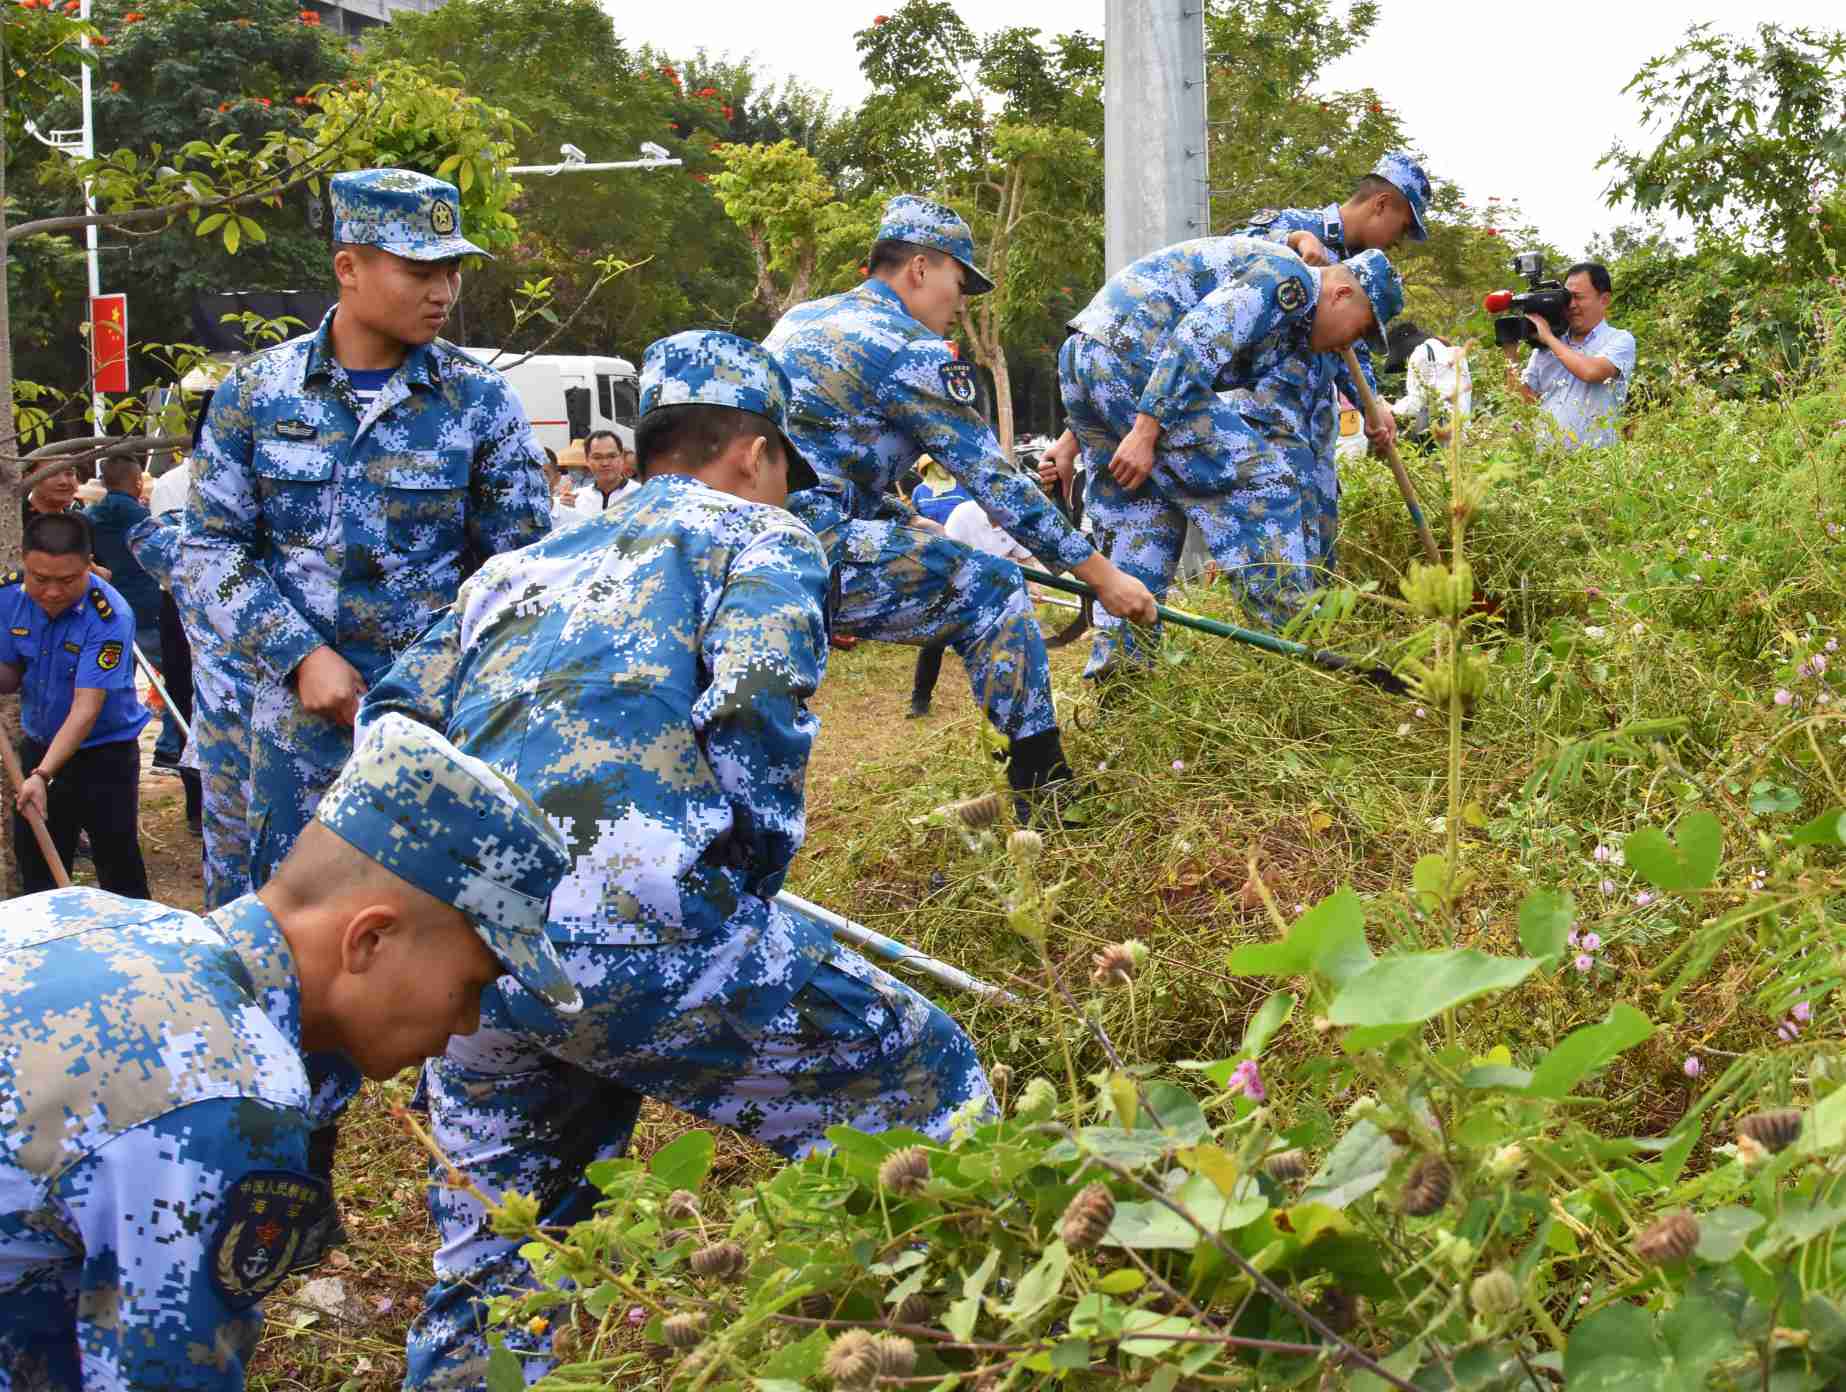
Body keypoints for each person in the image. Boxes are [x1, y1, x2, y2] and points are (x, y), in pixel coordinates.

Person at [361, 330, 991, 1388]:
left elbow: (391, 726)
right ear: (753, 452)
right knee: (940, 1090)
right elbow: (756, 702)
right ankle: (948, 1346)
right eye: (787, 468)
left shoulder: (518, 568)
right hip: (644, 933)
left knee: (505, 1254)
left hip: (469, 960)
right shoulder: (759, 535)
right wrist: (735, 893)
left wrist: (450, 896)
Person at [0, 713, 581, 1390]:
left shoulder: (96, 917)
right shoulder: (226, 1092)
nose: (468, 1020)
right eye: (471, 983)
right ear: (369, 941)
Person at [182, 167, 551, 893]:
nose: (442, 292)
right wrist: (301, 655)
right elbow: (212, 549)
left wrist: (435, 680)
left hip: (432, 728)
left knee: (419, 930)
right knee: (282, 930)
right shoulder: (256, 394)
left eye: (451, 271)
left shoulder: (479, 402)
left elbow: (523, 572)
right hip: (282, 730)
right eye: (419, 270)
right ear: (348, 267)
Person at [766, 194, 1155, 812]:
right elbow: (992, 479)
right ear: (921, 268)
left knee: (948, 559)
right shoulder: (906, 348)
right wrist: (1102, 577)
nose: (961, 302)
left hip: (761, 538)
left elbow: (822, 463)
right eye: (958, 281)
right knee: (993, 587)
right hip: (812, 551)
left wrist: (909, 518)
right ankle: (1044, 786)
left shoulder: (801, 320)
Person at [1059, 238, 1404, 673]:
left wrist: (1372, 403)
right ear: (1341, 294)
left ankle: (1123, 674)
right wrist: (1146, 428)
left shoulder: (1294, 312)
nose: (1347, 345)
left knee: (1141, 521)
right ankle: (1294, 659)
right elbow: (1201, 335)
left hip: (1088, 354)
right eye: (1358, 330)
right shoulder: (1290, 279)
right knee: (1265, 485)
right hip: (1138, 359)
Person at [0, 513, 151, 897]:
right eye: (40, 579)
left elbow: (87, 708)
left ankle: (133, 949)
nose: (51, 592)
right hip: (39, 746)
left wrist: (43, 774)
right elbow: (10, 678)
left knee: (118, 868)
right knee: (38, 873)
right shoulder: (8, 598)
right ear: (25, 563)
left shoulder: (109, 616)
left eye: (66, 581)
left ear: (89, 565)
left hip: (104, 756)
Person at [908, 488, 1039, 718]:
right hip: (952, 580)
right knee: (935, 640)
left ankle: (1005, 700)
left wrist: (1033, 585)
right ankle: (920, 699)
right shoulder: (964, 514)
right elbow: (947, 555)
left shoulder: (1016, 521)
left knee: (1006, 639)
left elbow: (1025, 558)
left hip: (992, 587)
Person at [86, 453, 174, 764]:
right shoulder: (141, 518)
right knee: (175, 678)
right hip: (146, 608)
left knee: (111, 683)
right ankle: (170, 745)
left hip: (107, 609)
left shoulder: (89, 516)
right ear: (138, 482)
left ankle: (105, 744)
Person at [1502, 261, 1636, 450]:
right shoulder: (1549, 345)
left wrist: (1548, 337)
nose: (1571, 305)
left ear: (1604, 299)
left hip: (1596, 465)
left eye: (1578, 297)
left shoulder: (1620, 340)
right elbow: (1522, 402)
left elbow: (1591, 372)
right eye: (1566, 298)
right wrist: (1510, 354)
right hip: (1548, 463)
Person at [1389, 320, 1473, 446]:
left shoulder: (1420, 354)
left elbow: (1416, 403)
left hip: (1441, 436)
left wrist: (1391, 409)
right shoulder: (1454, 352)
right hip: (1463, 433)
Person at [571, 428, 637, 514]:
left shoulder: (640, 493)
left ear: (621, 457)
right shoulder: (577, 499)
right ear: (587, 460)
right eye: (597, 457)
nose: (605, 463)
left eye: (612, 456)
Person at [908, 453, 971, 525]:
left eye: (947, 463)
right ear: (930, 467)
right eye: (940, 463)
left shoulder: (962, 487)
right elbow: (915, 518)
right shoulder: (919, 491)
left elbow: (972, 513)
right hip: (931, 535)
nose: (946, 467)